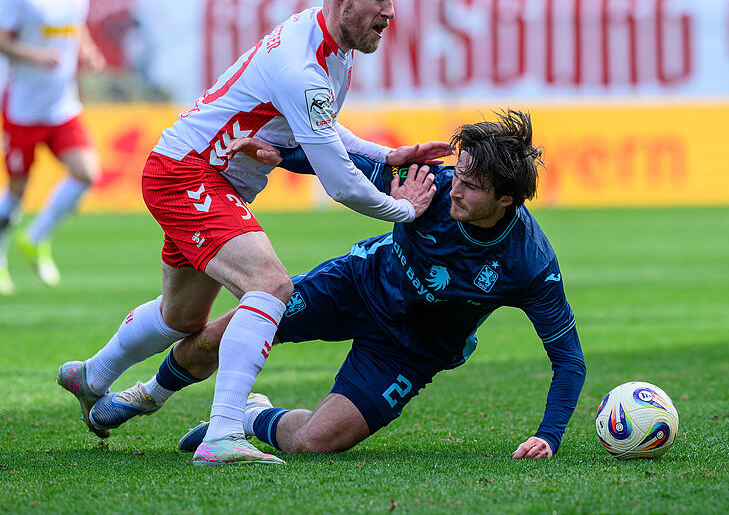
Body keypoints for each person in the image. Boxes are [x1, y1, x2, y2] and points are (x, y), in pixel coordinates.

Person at [56, 0, 448, 464]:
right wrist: (405, 210)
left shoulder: (330, 48)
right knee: (271, 285)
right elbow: (342, 184)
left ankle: (93, 375)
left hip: (207, 179)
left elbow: (324, 130)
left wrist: (388, 153)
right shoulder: (301, 65)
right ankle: (222, 435)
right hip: (187, 174)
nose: (390, 12)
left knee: (181, 318)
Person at [90, 110, 587, 465]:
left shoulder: (530, 263)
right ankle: (147, 394)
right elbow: (337, 163)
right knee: (227, 332)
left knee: (313, 443)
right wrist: (277, 154)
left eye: (470, 186)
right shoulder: (428, 182)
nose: (453, 188)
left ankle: (251, 417)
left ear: (505, 199)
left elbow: (569, 360)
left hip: (412, 349)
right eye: (457, 174)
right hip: (354, 284)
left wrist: (549, 435)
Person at [0, 0, 106, 295]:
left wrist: (89, 52)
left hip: (62, 105)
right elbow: (3, 40)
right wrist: (35, 55)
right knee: (15, 193)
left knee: (87, 173)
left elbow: (77, 28)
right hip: (23, 109)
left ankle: (37, 237)